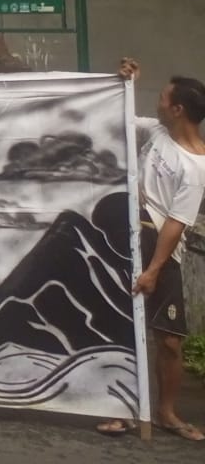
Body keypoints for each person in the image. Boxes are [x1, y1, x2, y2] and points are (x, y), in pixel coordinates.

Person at [97, 59, 205, 440]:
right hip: (129, 237)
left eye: (162, 98)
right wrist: (124, 82)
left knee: (170, 340)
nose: (157, 103)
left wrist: (154, 269)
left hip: (160, 249)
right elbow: (123, 118)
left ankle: (166, 413)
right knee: (123, 328)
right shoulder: (160, 132)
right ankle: (125, 409)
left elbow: (176, 224)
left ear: (178, 109)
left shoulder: (195, 167)